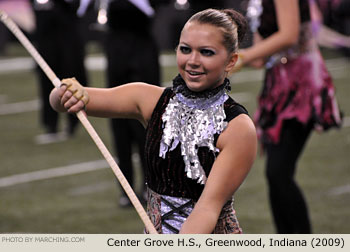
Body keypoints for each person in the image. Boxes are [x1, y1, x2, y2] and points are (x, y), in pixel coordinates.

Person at [49, 8, 257, 234]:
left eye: (206, 52)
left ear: (231, 61)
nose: (192, 61)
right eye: (185, 49)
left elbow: (207, 208)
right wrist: (66, 93)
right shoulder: (150, 100)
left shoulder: (237, 127)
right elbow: (65, 101)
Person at [234, 0, 343, 233]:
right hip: (278, 85)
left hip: (302, 85)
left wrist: (242, 56)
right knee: (275, 175)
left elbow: (289, 35)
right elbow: (260, 59)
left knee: (278, 172)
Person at [101, 0, 161, 207]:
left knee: (146, 121)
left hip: (142, 49)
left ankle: (150, 185)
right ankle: (125, 190)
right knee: (118, 121)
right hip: (117, 49)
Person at [31, 0, 88, 144]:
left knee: (71, 81)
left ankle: (73, 122)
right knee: (46, 81)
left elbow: (76, 7)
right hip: (46, 39)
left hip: (67, 38)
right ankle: (50, 125)